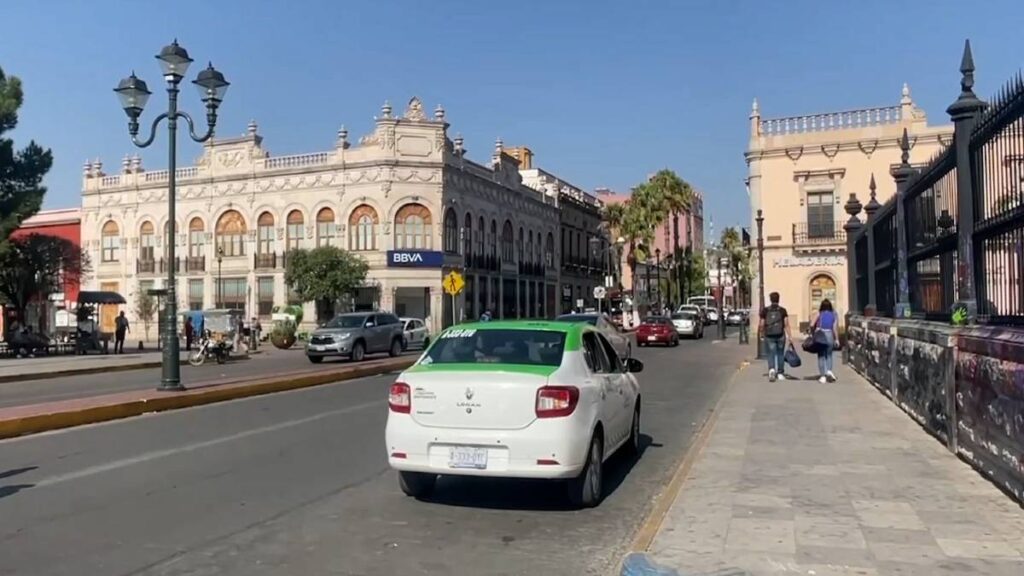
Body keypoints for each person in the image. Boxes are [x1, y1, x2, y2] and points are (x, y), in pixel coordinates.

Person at [758, 291, 792, 382]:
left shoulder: (765, 310)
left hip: (769, 335)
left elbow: (761, 324)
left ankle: (772, 370)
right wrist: (790, 336)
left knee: (771, 353)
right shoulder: (782, 310)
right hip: (780, 334)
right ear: (778, 299)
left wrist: (761, 333)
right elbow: (786, 324)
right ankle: (780, 373)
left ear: (770, 299)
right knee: (780, 353)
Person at [813, 299, 838, 383]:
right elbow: (834, 328)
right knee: (829, 355)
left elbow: (811, 324)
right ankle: (829, 371)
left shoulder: (819, 314)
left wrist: (814, 331)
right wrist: (837, 339)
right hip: (830, 334)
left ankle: (823, 376)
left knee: (821, 356)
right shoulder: (834, 314)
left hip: (821, 334)